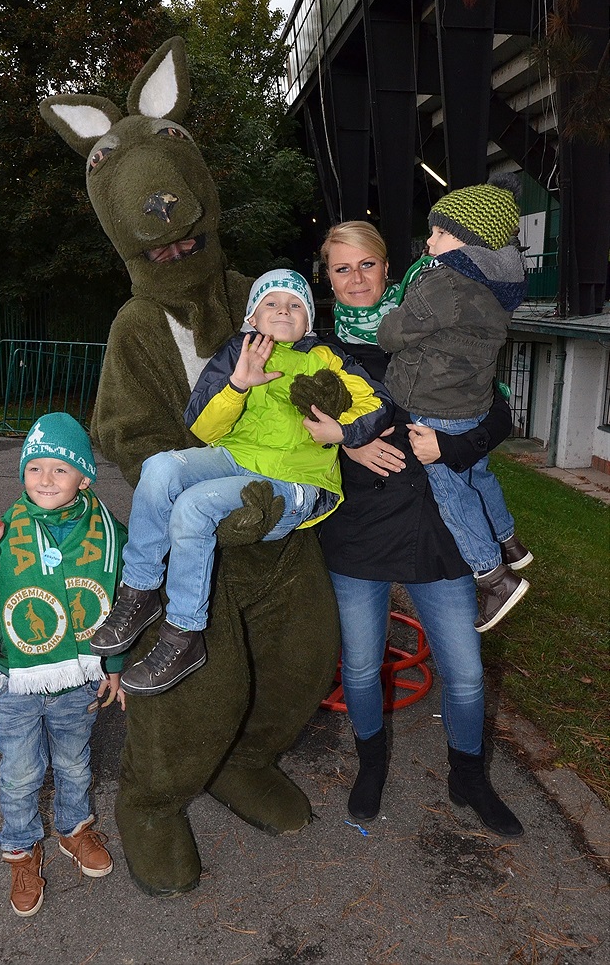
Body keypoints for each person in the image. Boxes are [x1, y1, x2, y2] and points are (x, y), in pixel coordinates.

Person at [90, 269, 393, 695]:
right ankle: (139, 591)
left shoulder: (327, 357)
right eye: (271, 303)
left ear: (309, 319)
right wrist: (237, 385)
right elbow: (203, 427)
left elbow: (377, 403)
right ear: (252, 316)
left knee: (194, 506)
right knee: (160, 468)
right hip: (234, 459)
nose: (282, 310)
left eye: (295, 303)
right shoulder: (238, 351)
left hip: (297, 482)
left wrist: (342, 433)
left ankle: (183, 634)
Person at [318, 220, 524, 838]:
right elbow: (290, 441)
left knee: (464, 671)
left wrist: (455, 451)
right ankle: (370, 767)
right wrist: (348, 448)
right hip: (359, 528)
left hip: (440, 529)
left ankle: (469, 780)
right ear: (326, 279)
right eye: (341, 269)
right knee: (360, 667)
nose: (356, 279)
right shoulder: (317, 347)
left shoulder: (438, 314)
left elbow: (499, 413)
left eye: (367, 265)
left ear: (389, 268)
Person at [0, 413, 127, 918]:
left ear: (85, 478)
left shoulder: (111, 533)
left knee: (74, 761)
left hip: (80, 678)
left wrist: (114, 662)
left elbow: (120, 603)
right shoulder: (4, 528)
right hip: (18, 678)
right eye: (35, 468)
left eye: (60, 469)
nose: (45, 479)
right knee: (21, 773)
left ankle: (74, 829)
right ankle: (22, 851)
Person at [376, 174, 532, 632]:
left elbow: (393, 335)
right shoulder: (500, 285)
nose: (429, 240)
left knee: (452, 493)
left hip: (433, 408)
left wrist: (389, 315)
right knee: (478, 473)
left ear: (470, 243)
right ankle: (508, 541)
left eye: (439, 232)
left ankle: (494, 577)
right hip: (473, 403)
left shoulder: (445, 284)